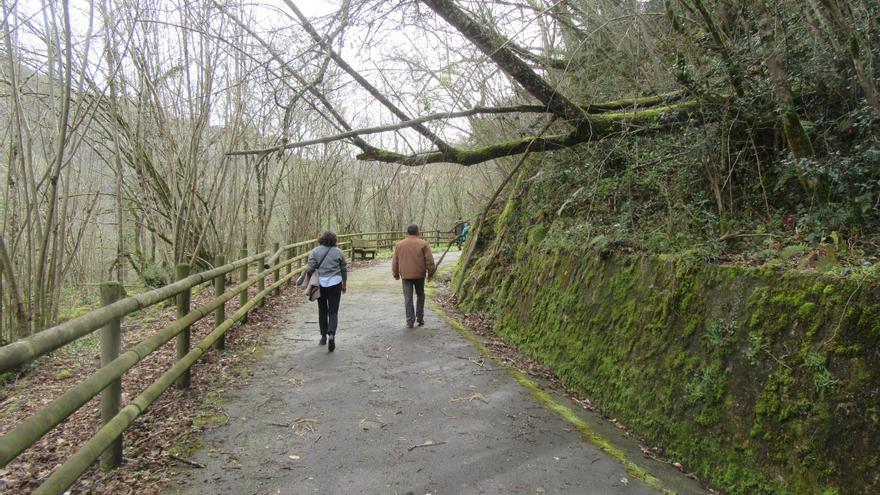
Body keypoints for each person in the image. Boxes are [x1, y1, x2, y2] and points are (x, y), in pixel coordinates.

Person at [307, 231, 347, 352]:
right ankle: (332, 335)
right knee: (333, 311)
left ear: (321, 239)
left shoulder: (315, 251)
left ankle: (323, 336)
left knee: (322, 310)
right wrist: (344, 283)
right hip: (335, 283)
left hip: (321, 284)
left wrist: (309, 280)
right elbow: (343, 269)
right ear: (334, 240)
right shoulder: (338, 252)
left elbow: (310, 268)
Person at [391, 224, 436, 328]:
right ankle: (420, 317)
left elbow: (395, 261)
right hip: (419, 275)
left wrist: (396, 273)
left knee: (408, 298)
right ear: (417, 232)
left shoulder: (399, 245)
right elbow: (429, 260)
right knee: (420, 295)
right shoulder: (423, 244)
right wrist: (430, 273)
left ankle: (410, 321)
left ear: (407, 233)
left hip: (406, 275)